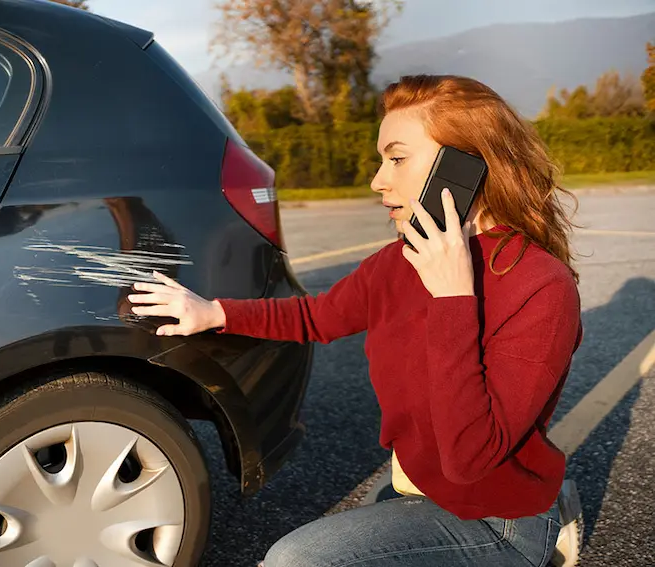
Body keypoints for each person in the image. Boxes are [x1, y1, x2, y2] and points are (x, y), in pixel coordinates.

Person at [128, 74, 583, 567]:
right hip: (419, 488)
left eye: (397, 157)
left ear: (466, 165)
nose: (377, 180)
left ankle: (543, 529)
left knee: (295, 560)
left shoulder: (541, 285)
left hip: (495, 518)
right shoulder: (398, 262)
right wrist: (212, 312)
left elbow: (471, 457)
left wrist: (453, 296)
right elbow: (317, 316)